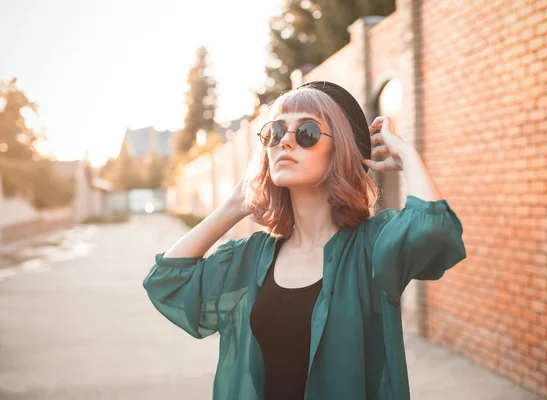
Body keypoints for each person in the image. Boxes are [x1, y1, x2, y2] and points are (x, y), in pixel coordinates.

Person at [142, 80, 467, 400]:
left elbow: (434, 230)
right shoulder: (250, 257)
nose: (285, 143)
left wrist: (406, 155)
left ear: (338, 151)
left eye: (308, 133)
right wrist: (234, 205)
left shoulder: (371, 247)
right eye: (275, 132)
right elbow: (168, 281)